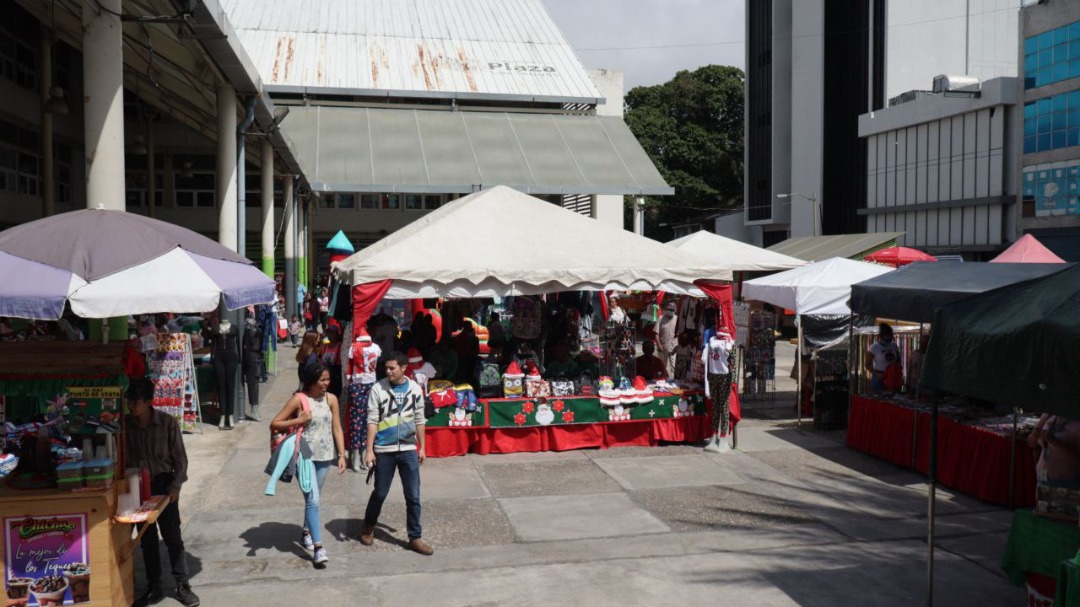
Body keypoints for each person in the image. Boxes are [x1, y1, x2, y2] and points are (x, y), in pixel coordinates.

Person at [126, 377, 200, 607]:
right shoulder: (125, 425)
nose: (131, 405)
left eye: (135, 401)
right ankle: (154, 586)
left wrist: (175, 487)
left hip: (164, 485)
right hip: (138, 485)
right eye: (129, 400)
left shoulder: (168, 423)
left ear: (148, 401)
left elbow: (181, 460)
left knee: (172, 538)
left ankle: (182, 584)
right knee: (146, 539)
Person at [269, 363, 346, 567]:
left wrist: (341, 454)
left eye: (328, 379)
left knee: (314, 498)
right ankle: (319, 548)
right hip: (304, 455)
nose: (326, 384)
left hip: (325, 455)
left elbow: (337, 428)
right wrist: (301, 419)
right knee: (313, 499)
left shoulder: (331, 399)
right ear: (311, 381)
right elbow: (275, 423)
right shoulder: (299, 399)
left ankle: (305, 532)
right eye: (322, 380)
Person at [360, 351, 433, 556]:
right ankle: (368, 526)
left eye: (392, 368)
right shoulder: (378, 389)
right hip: (384, 450)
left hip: (408, 450)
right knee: (380, 493)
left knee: (413, 496)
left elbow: (420, 419)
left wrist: (423, 447)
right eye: (387, 368)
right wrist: (369, 450)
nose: (388, 371)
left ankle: (415, 537)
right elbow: (372, 420)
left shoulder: (414, 389)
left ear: (404, 368)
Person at [702, 328, 735, 453]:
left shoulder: (730, 342)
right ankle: (714, 434)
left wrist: (732, 380)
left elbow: (733, 363)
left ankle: (723, 437)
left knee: (724, 407)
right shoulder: (711, 340)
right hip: (713, 375)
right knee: (715, 407)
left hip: (724, 377)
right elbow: (706, 358)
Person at [1029, 414, 1080, 489]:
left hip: (1066, 482)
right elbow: (1031, 443)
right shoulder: (1049, 415)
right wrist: (1035, 432)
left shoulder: (1077, 423)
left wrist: (1053, 441)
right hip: (1042, 479)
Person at [866, 323, 901, 392]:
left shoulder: (894, 345)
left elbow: (898, 360)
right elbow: (867, 364)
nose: (888, 340)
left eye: (890, 337)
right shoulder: (874, 347)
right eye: (886, 338)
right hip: (879, 377)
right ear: (880, 336)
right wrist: (876, 374)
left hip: (892, 377)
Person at [656, 301, 679, 378]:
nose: (671, 311)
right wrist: (659, 345)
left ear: (675, 310)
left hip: (674, 348)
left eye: (672, 310)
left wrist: (678, 346)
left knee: (674, 367)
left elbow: (680, 334)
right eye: (669, 309)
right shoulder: (661, 318)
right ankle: (662, 382)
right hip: (663, 348)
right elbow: (656, 333)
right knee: (662, 367)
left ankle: (674, 384)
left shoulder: (678, 319)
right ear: (666, 309)